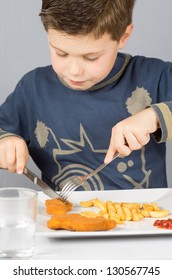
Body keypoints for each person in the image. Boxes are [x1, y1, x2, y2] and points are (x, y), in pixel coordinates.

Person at [0, 0, 172, 191]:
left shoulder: (155, 76)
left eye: (91, 58)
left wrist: (154, 117)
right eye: (61, 53)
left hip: (145, 218)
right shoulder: (32, 89)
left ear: (124, 35)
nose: (74, 71)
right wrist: (6, 141)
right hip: (63, 218)